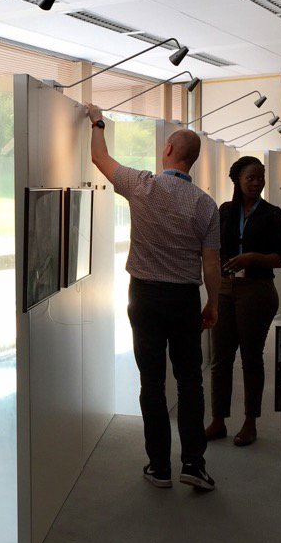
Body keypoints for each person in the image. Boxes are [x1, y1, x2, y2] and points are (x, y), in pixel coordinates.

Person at [86, 103, 220, 490]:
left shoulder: (142, 185)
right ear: (193, 160)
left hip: (144, 296)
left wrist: (97, 122)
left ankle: (159, 467)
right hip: (184, 299)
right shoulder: (205, 205)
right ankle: (193, 464)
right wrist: (213, 303)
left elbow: (99, 158)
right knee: (190, 382)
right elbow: (211, 264)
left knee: (152, 382)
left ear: (168, 150)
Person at [206, 156, 281, 447]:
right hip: (226, 287)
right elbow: (213, 248)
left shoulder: (273, 214)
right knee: (220, 358)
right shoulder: (225, 211)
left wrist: (252, 257)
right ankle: (218, 420)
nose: (256, 183)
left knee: (251, 357)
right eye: (250, 178)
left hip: (257, 289)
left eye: (260, 177)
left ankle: (250, 421)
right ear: (237, 180)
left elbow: (279, 258)